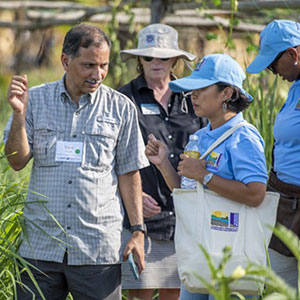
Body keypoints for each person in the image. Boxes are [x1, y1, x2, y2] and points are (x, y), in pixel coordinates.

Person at [4, 23, 149, 300]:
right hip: (41, 247)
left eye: (104, 65)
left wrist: (138, 231)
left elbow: (129, 172)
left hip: (97, 249)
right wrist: (19, 116)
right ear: (65, 61)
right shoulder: (34, 100)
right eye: (89, 65)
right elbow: (16, 161)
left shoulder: (121, 108)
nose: (98, 75)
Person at [145, 53, 268, 300]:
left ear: (228, 93)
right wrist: (164, 165)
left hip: (233, 257)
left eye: (201, 88)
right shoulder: (200, 137)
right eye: (192, 90)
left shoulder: (243, 137)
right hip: (199, 253)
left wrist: (206, 176)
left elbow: (256, 195)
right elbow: (189, 192)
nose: (193, 96)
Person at [119, 24, 206, 300]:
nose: (156, 63)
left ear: (175, 60)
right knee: (139, 293)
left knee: (178, 293)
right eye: (148, 57)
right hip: (142, 221)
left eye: (163, 56)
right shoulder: (124, 99)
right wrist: (132, 197)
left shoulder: (195, 99)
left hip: (187, 218)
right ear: (139, 60)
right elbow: (109, 156)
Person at [247, 19, 300, 289]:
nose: (271, 71)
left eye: (272, 64)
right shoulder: (295, 89)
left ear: (293, 54)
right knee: (279, 290)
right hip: (286, 203)